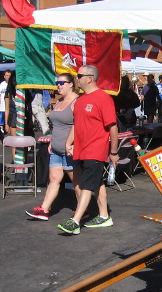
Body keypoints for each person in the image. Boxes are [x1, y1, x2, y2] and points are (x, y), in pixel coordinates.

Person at [57, 65, 119, 235]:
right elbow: (77, 125)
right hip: (81, 149)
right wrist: (69, 143)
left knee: (87, 184)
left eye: (79, 75)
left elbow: (112, 127)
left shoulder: (103, 98)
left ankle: (75, 221)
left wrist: (113, 152)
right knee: (97, 182)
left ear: (90, 78)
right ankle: (104, 216)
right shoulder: (80, 100)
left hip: (96, 149)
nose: (76, 78)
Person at [26, 73, 80, 220]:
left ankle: (83, 209)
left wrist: (72, 144)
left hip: (69, 150)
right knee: (54, 179)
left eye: (62, 83)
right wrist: (51, 141)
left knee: (76, 181)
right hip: (56, 148)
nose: (59, 85)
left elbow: (79, 126)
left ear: (71, 84)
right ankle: (44, 209)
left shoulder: (76, 102)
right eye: (57, 83)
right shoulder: (59, 101)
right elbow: (55, 126)